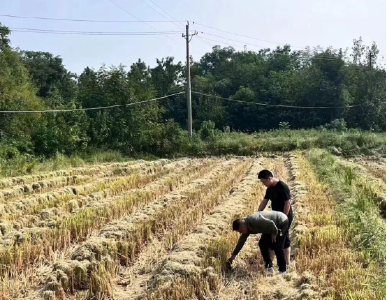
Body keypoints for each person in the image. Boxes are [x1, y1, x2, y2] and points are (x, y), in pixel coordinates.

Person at [258, 170, 293, 267]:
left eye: (264, 182)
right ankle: (271, 263)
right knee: (273, 239)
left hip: (285, 216)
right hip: (275, 216)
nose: (264, 184)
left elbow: (287, 203)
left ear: (269, 178)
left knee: (283, 238)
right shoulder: (270, 188)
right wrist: (258, 212)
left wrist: (284, 218)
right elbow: (265, 201)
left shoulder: (282, 187)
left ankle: (287, 264)